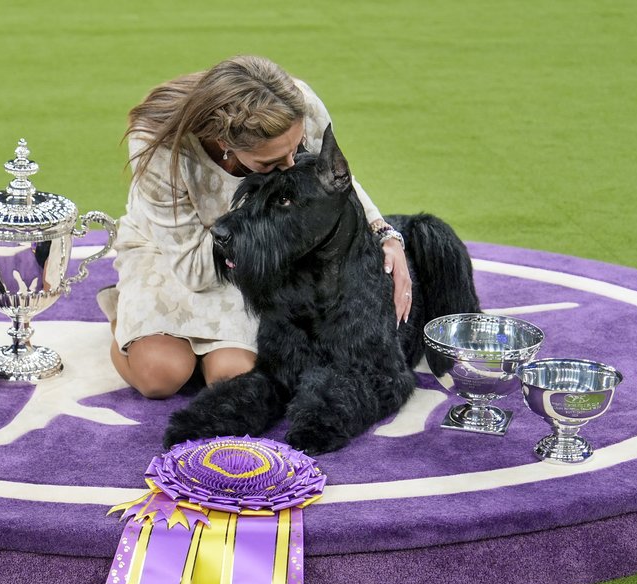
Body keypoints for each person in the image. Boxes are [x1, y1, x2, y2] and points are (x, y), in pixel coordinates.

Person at [99, 55, 412, 399]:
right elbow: (194, 271)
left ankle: (188, 345)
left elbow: (331, 181)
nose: (291, 165)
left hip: (258, 249)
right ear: (225, 143)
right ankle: (121, 316)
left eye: (295, 149)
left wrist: (384, 233)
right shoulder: (154, 143)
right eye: (271, 163)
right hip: (175, 252)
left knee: (233, 375)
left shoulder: (301, 104)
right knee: (161, 376)